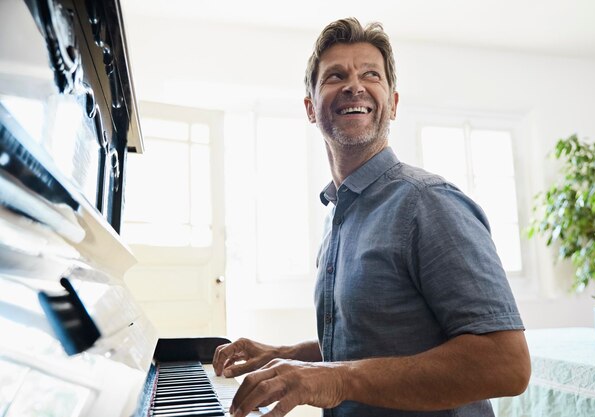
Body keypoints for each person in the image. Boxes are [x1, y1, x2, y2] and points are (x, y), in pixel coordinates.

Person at [213, 17, 531, 417]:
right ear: (311, 108)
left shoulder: (428, 203)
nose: (353, 85)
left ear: (393, 103)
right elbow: (368, 345)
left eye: (370, 74)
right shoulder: (337, 217)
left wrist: (336, 379)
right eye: (335, 76)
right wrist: (286, 355)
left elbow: (507, 364)